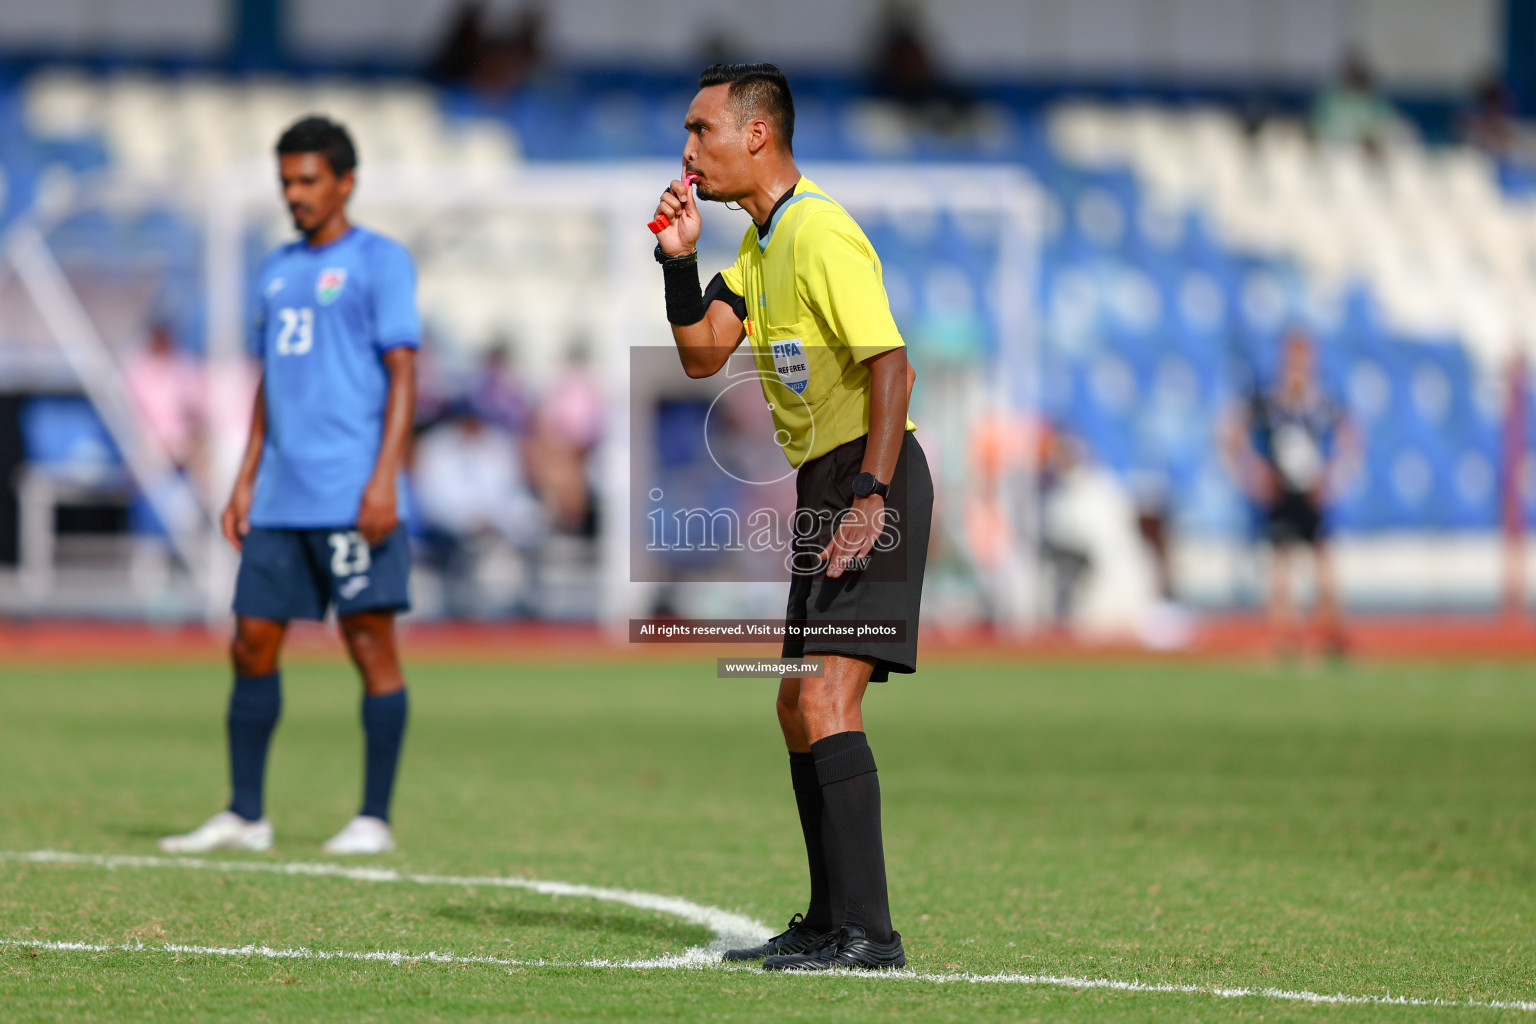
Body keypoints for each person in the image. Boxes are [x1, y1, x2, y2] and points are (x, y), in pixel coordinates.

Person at [651, 62, 929, 971]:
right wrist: (679, 260)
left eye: (702, 131)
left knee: (825, 696)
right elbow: (701, 356)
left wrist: (871, 496)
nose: (689, 150)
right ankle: (827, 919)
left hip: (867, 479)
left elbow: (892, 368)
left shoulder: (817, 231)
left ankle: (870, 936)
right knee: (794, 707)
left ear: (757, 134)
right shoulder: (761, 248)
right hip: (828, 486)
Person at [160, 116, 420, 856]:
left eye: (307, 180)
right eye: (286, 182)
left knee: (369, 645)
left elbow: (404, 374)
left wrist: (383, 480)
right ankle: (246, 813)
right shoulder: (274, 269)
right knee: (249, 643)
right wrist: (243, 479)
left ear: (344, 182)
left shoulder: (381, 261)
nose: (295, 194)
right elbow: (270, 382)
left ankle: (373, 817)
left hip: (351, 494)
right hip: (280, 495)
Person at [1223, 331, 1357, 658]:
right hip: (1281, 492)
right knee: (1281, 563)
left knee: (1323, 562)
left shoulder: (1319, 401)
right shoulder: (1270, 402)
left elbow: (1351, 437)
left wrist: (1334, 478)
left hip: (1310, 492)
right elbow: (1230, 434)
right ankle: (1285, 635)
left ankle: (1329, 632)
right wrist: (1252, 475)